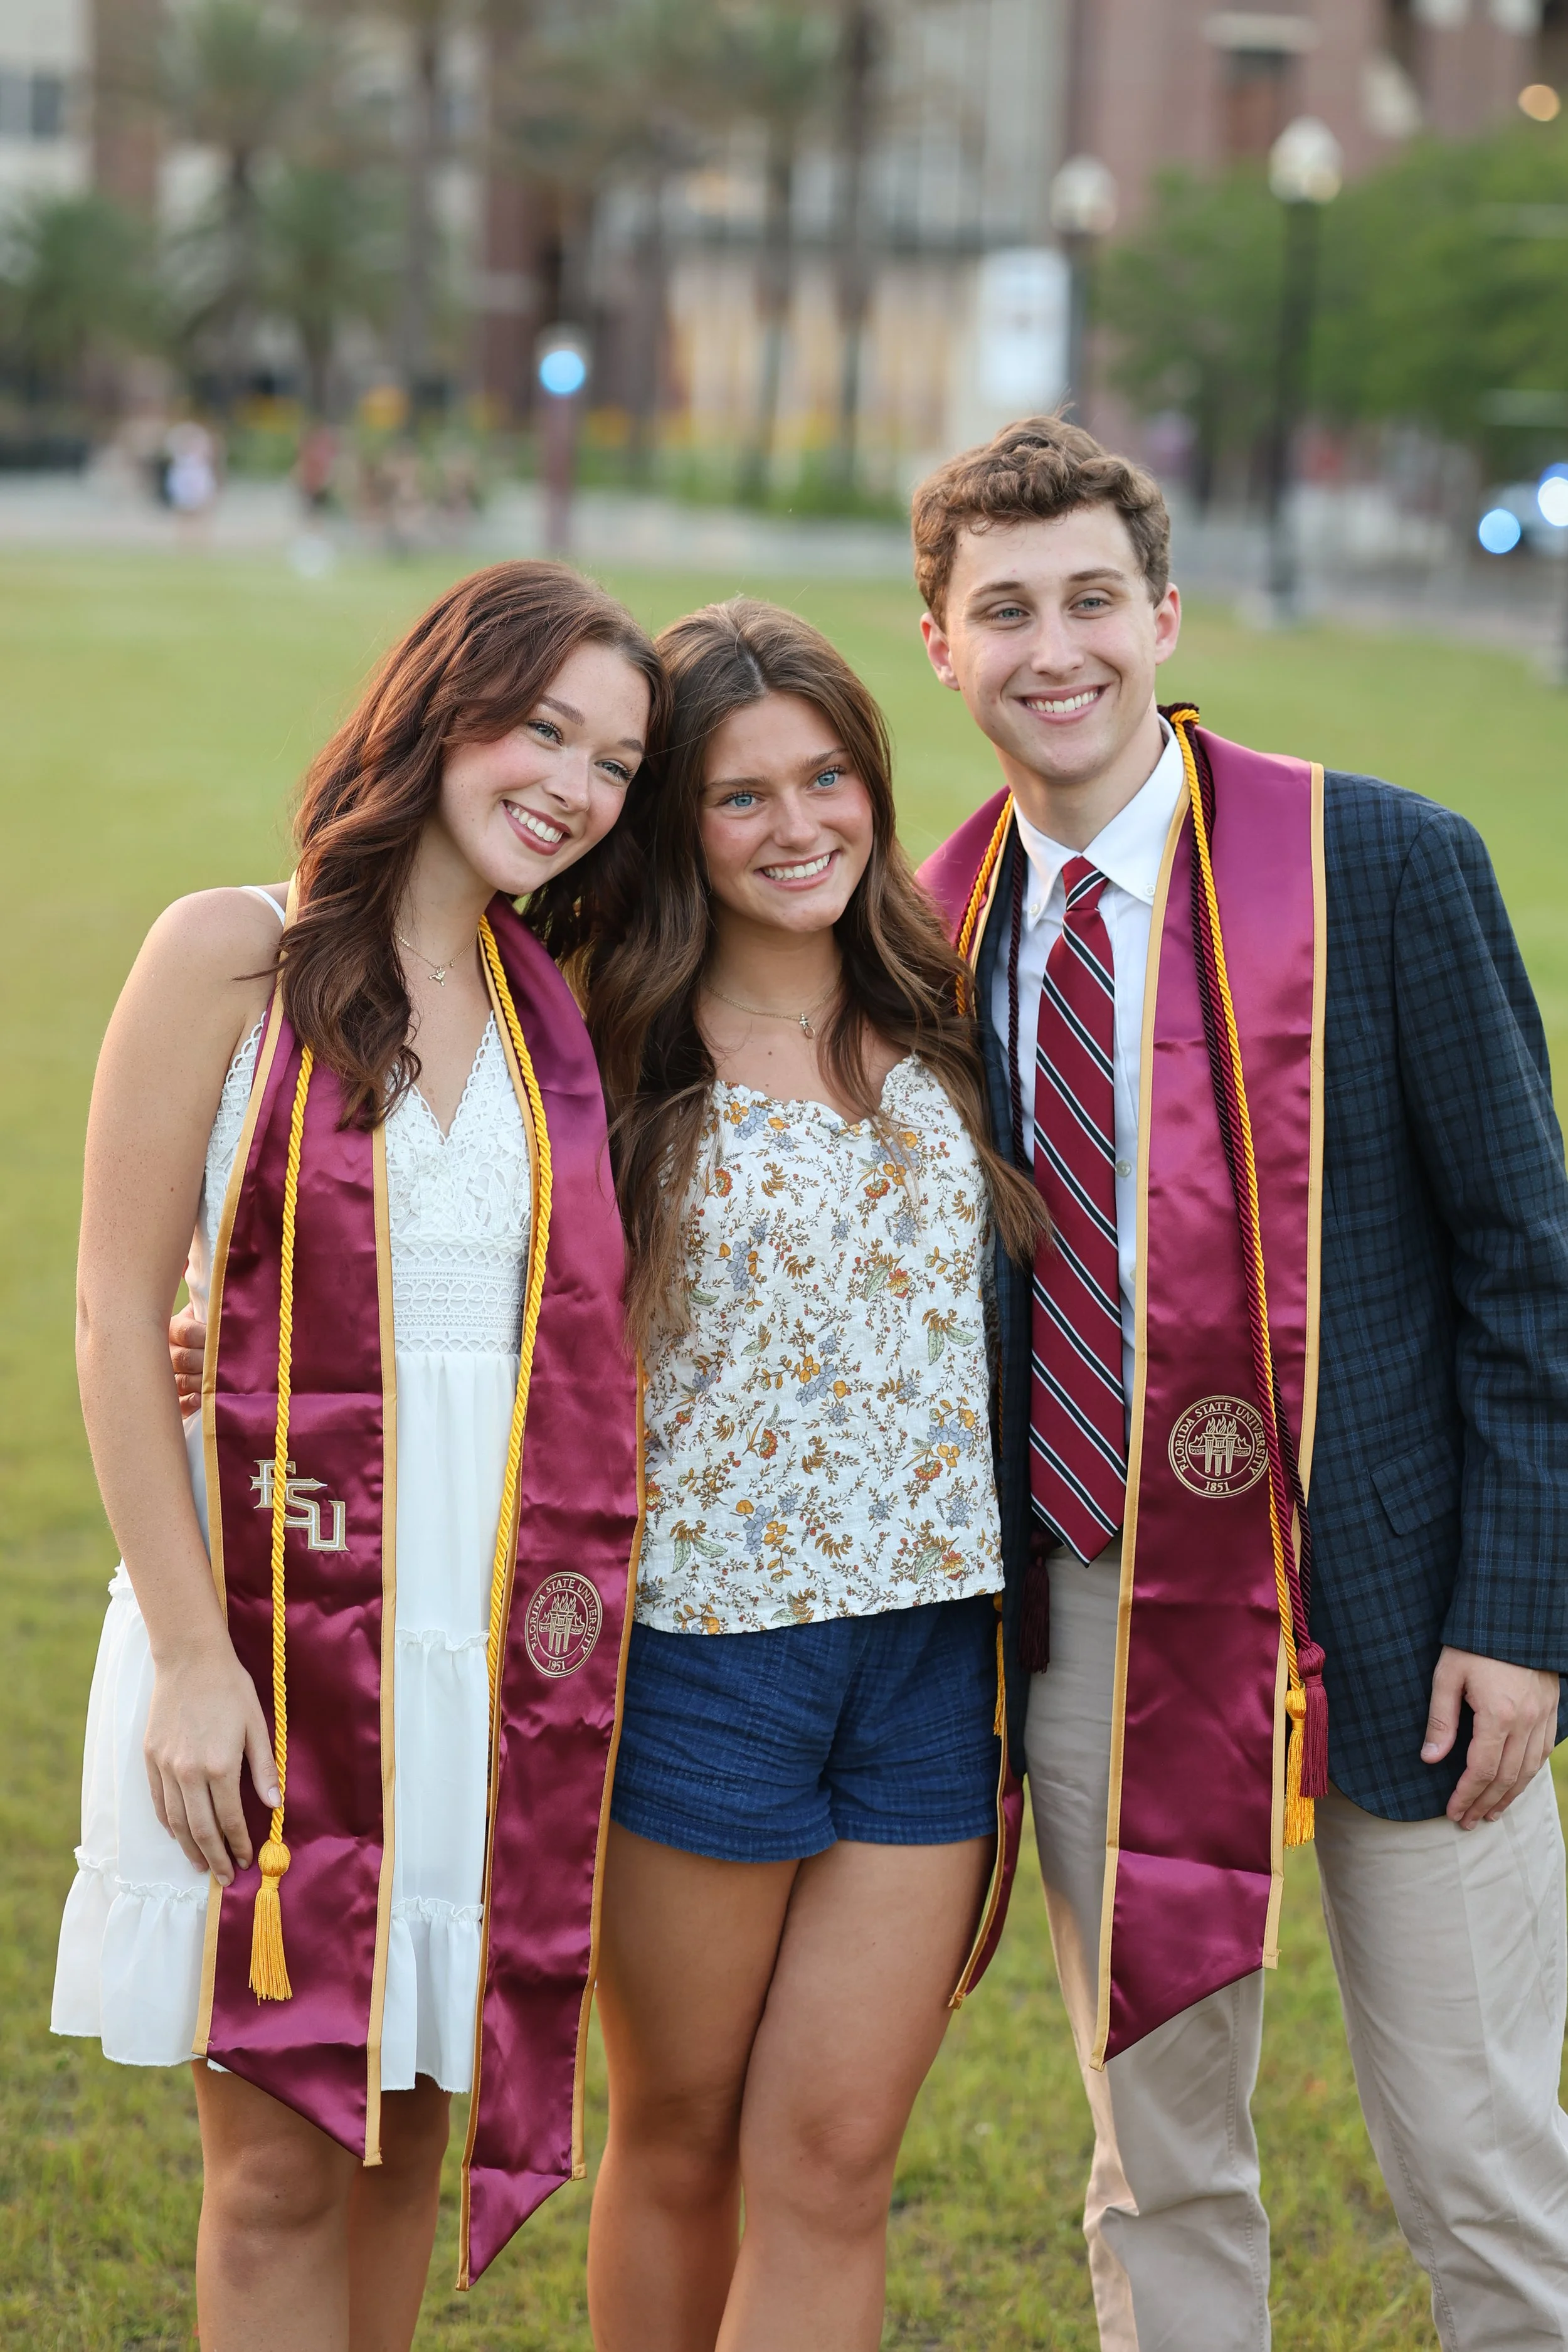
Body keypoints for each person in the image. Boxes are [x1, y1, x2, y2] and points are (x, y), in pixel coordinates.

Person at [913, 413, 1568, 2351]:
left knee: (1478, 2150)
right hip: (1099, 1613)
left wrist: (1520, 1617)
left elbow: (1527, 1266)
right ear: (937, 644)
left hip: (1405, 1601)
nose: (1056, 651)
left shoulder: (1376, 861)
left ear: (1164, 613)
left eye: (1091, 600)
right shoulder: (921, 931)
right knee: (1160, 2160)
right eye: (1003, 609)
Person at [52, 561, 665, 2347]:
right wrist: (187, 1658)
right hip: (266, 1627)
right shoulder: (231, 948)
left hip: (481, 1661)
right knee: (272, 2169)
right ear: (437, 703)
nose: (570, 782)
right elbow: (112, 1310)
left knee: (404, 2129)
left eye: (615, 761)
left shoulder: (555, 1010)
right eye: (541, 724)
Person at [577, 598, 1042, 2352]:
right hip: (703, 1660)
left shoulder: (948, 1021)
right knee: (684, 2136)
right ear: (674, 823)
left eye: (826, 776)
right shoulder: (607, 1054)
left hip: (931, 1663)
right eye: (739, 793)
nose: (799, 826)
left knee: (838, 2158)